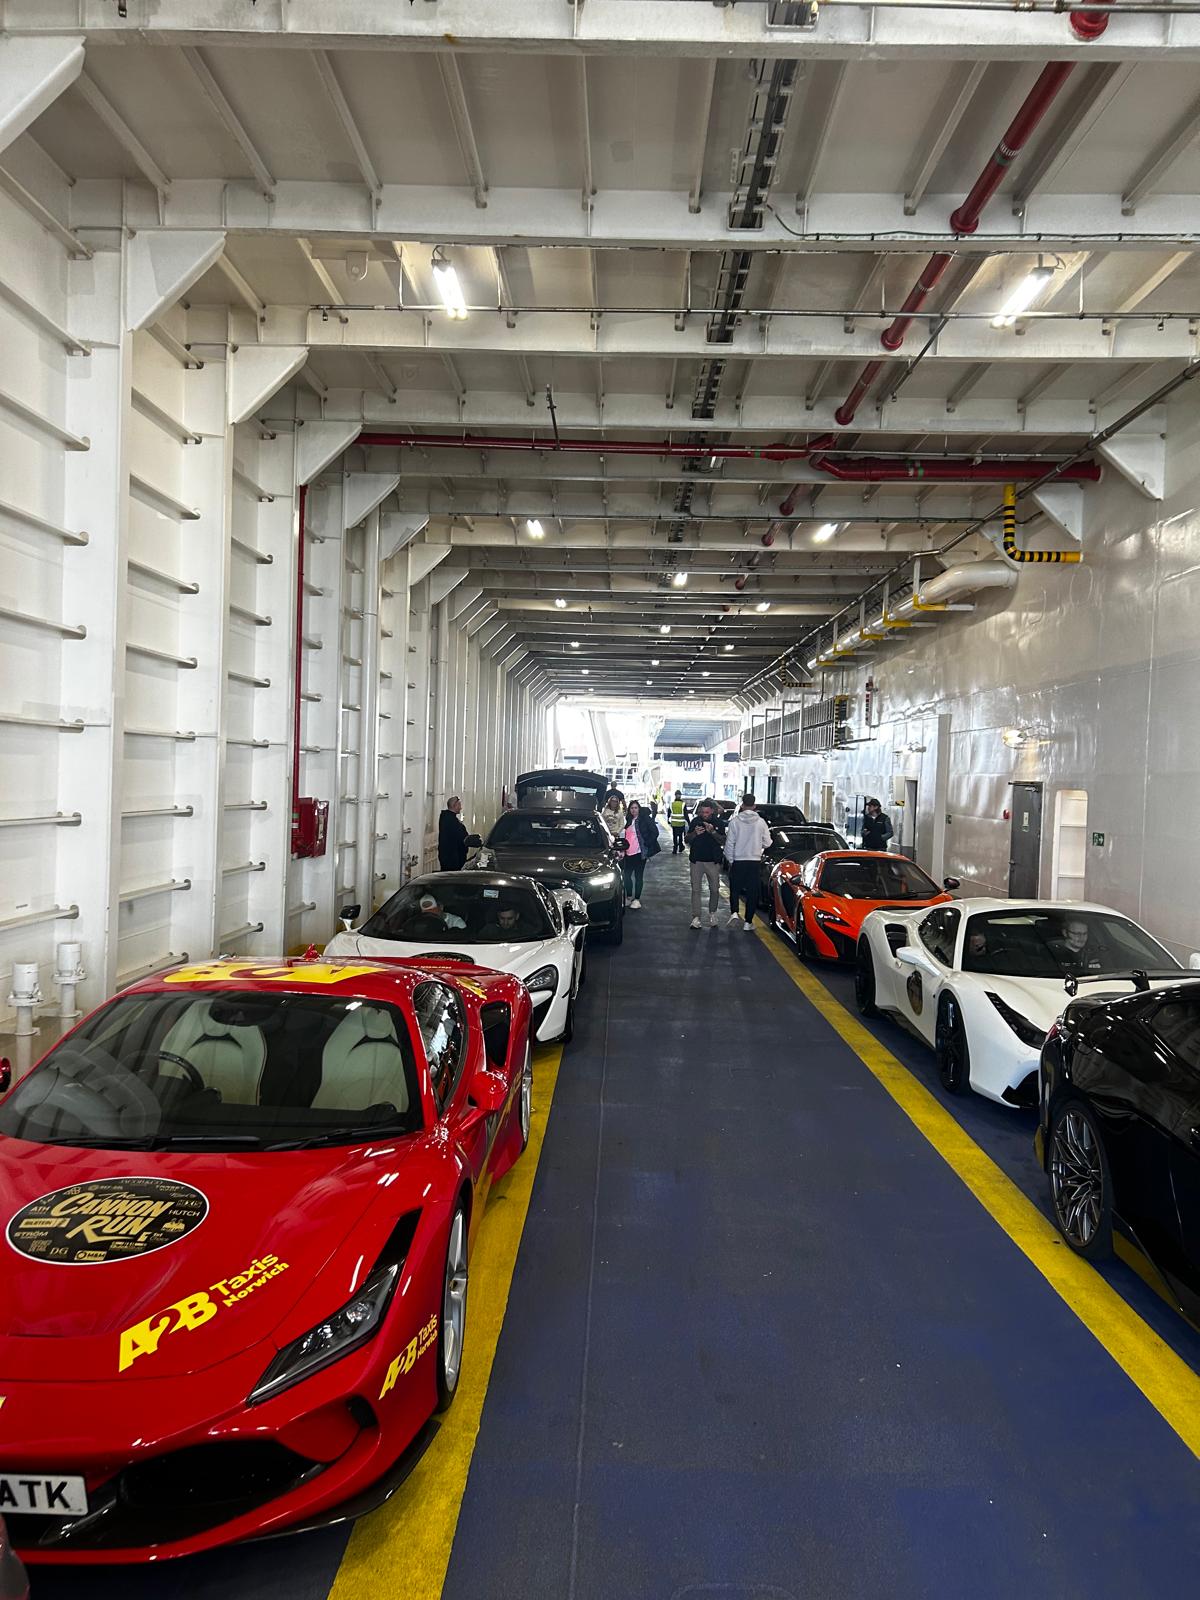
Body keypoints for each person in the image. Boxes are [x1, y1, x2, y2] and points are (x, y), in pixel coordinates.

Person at [723, 793, 771, 931]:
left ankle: (734, 913)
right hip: (754, 862)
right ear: (754, 806)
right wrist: (757, 844)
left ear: (742, 805)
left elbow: (729, 844)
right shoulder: (761, 823)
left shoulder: (735, 822)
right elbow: (767, 843)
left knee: (735, 889)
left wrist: (731, 860)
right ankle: (748, 922)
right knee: (752, 892)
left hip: (738, 861)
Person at [686, 798, 724, 930]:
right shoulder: (695, 822)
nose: (704, 814)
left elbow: (722, 840)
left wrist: (712, 832)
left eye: (707, 812)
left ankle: (712, 913)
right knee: (696, 890)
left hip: (712, 862)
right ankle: (696, 917)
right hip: (696, 861)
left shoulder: (718, 823)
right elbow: (687, 839)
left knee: (714, 889)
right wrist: (695, 833)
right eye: (702, 812)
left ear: (712, 811)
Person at [620, 799, 659, 909]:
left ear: (639, 808)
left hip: (639, 853)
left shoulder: (645, 819)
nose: (633, 810)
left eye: (635, 808)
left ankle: (637, 899)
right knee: (626, 876)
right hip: (628, 853)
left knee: (638, 876)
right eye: (631, 808)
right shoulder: (628, 820)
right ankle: (628, 897)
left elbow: (655, 832)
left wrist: (647, 844)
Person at [438, 796, 480, 871]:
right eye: (459, 805)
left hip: (452, 857)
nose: (460, 808)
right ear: (454, 805)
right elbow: (460, 837)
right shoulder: (451, 821)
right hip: (452, 859)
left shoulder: (449, 819)